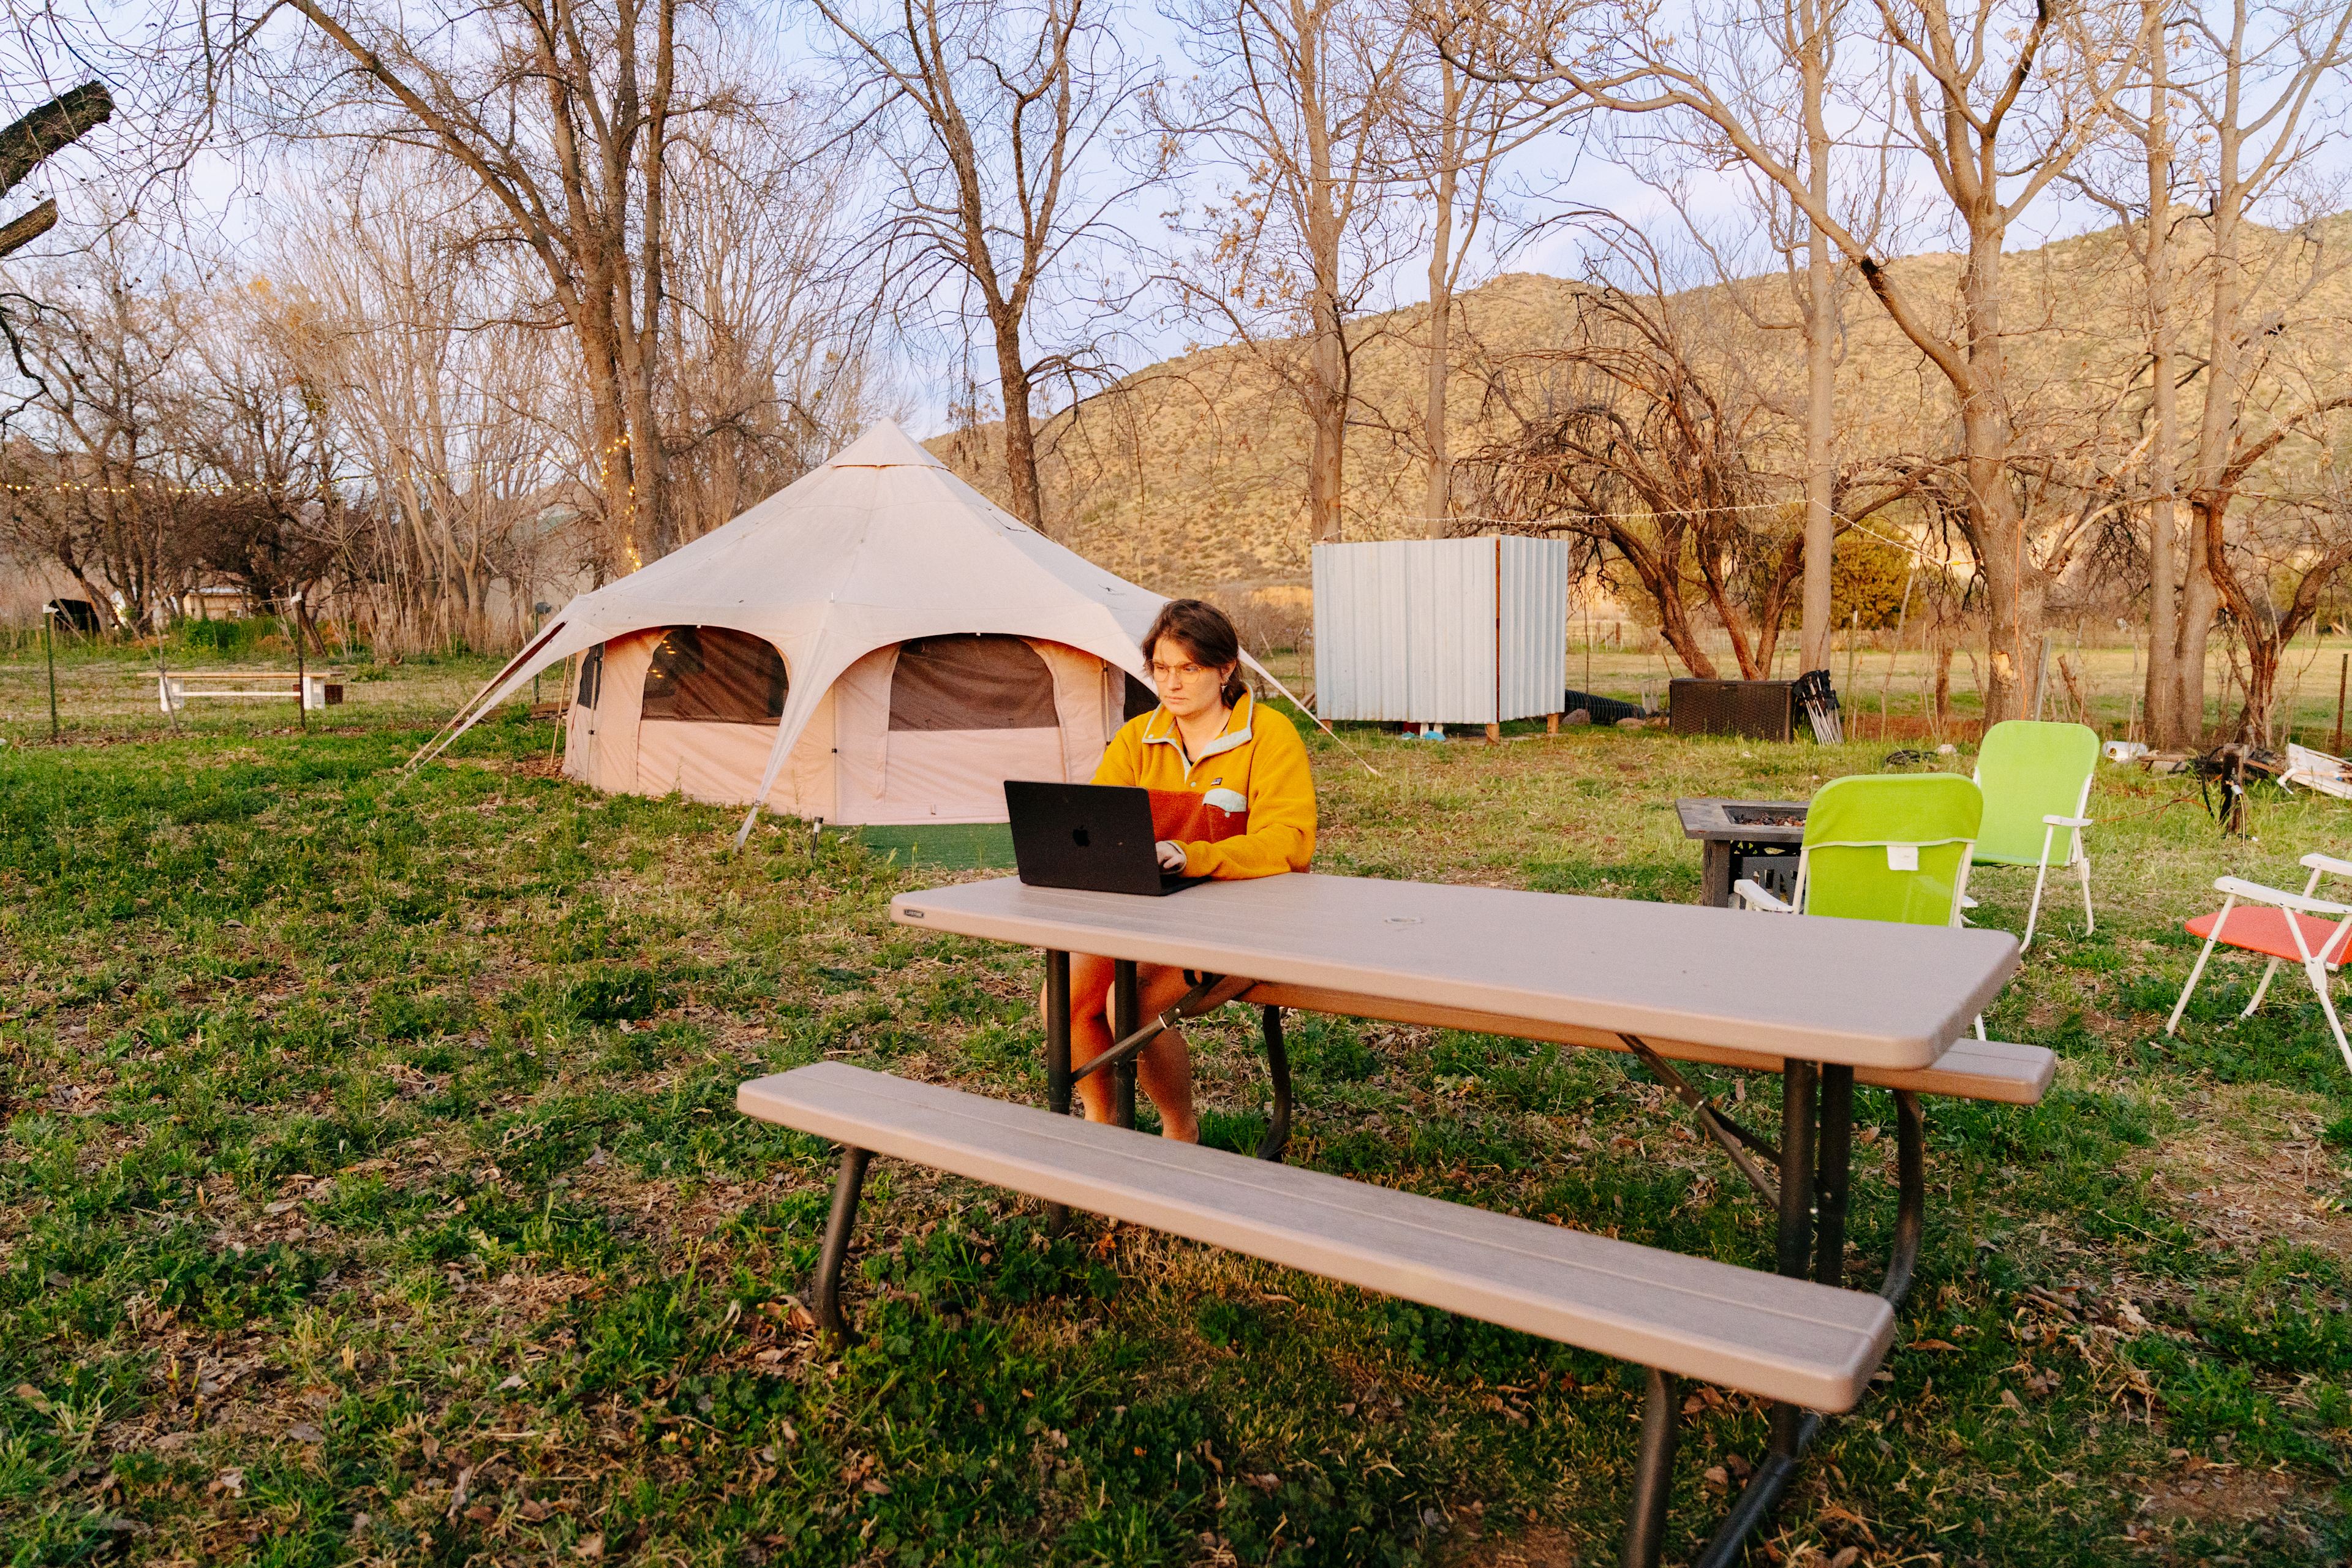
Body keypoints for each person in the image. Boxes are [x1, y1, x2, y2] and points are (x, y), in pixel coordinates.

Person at [1054, 598, 1316, 1140]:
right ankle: (1103, 1123)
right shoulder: (1137, 737)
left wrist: (1194, 855)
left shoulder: (1269, 735)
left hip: (1250, 920)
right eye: (1163, 669)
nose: (1172, 684)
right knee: (1067, 999)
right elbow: (1099, 822)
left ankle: (1180, 1131)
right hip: (1153, 912)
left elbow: (1290, 842)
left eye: (1189, 668)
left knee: (1123, 1006)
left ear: (1225, 670)